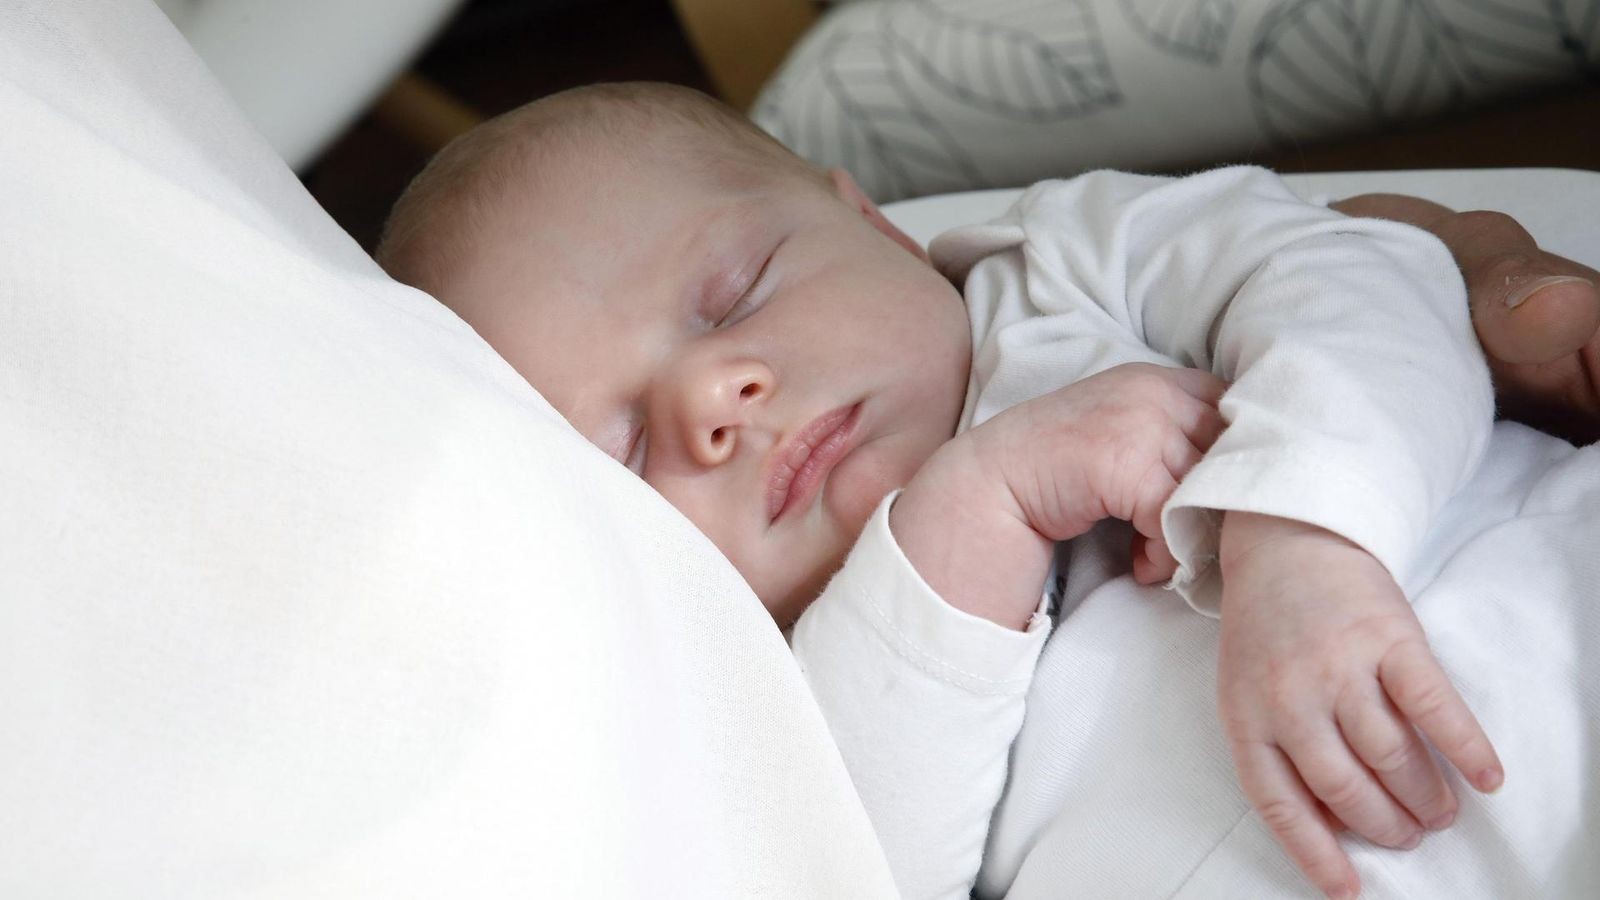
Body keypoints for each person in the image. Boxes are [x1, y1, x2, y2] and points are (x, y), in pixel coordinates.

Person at [375, 83, 1600, 898]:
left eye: (738, 291)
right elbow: (857, 865)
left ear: (876, 224)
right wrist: (975, 509)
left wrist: (1305, 536)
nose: (715, 396)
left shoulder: (1073, 259)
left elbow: (1364, 278)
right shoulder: (767, 686)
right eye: (628, 449)